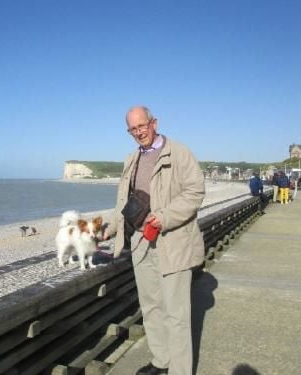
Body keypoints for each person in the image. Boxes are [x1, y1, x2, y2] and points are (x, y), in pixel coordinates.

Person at [103, 106, 205, 375]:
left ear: (154, 123)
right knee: (151, 307)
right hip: (140, 242)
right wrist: (110, 228)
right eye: (133, 129)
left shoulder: (179, 153)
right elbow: (124, 203)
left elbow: (195, 192)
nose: (139, 132)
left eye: (142, 126)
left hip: (174, 243)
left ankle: (180, 371)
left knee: (177, 314)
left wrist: (165, 217)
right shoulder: (131, 159)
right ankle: (162, 361)